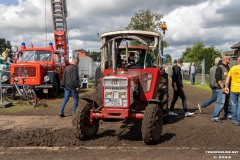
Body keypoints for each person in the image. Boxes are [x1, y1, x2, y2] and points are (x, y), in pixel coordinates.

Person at [211, 54, 231, 123]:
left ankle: (227, 114)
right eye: (229, 59)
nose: (230, 60)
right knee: (220, 102)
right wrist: (223, 87)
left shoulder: (227, 67)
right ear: (225, 59)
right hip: (221, 88)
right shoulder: (219, 67)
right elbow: (218, 79)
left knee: (227, 102)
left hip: (227, 88)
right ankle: (215, 116)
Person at [225, 57, 240, 126]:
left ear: (238, 61)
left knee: (234, 104)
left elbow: (227, 78)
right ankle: (238, 120)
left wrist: (226, 87)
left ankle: (234, 119)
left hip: (233, 89)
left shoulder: (233, 68)